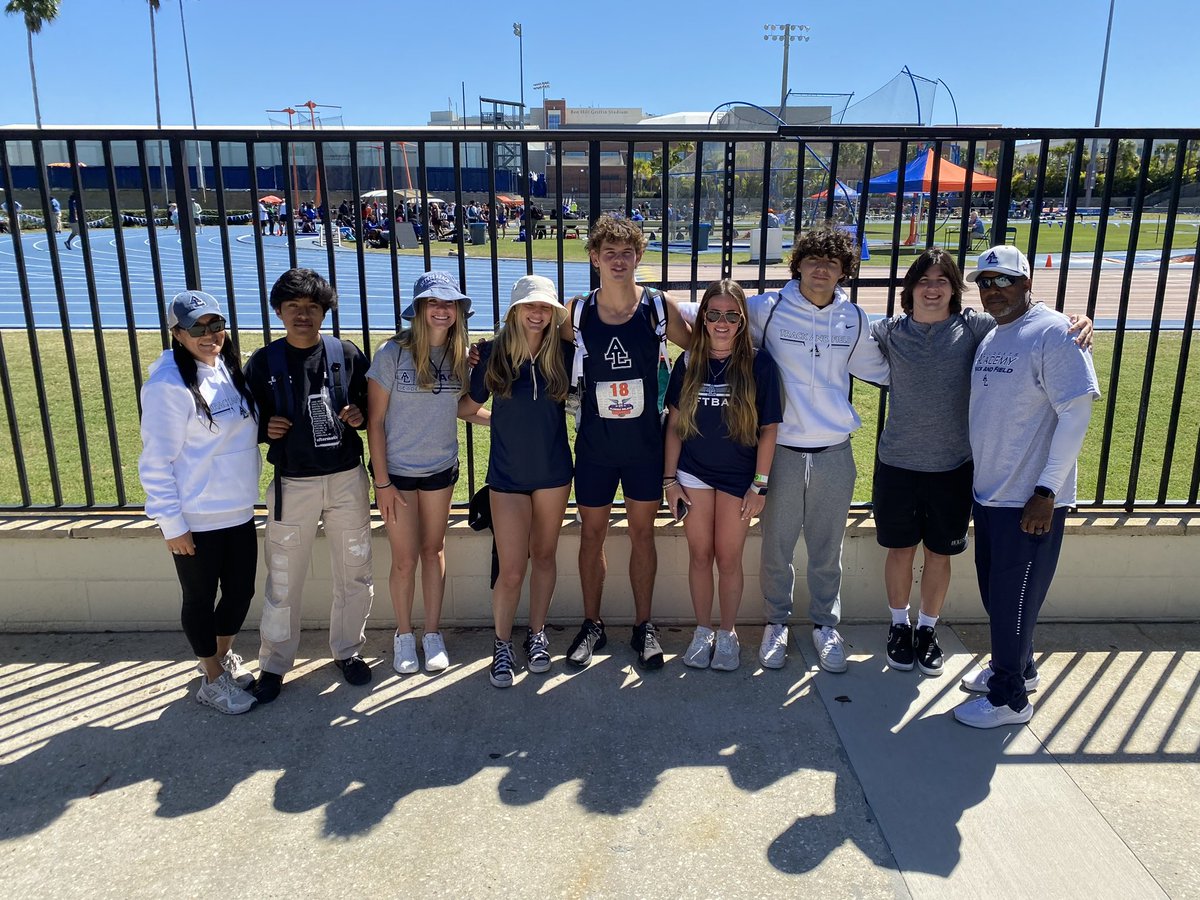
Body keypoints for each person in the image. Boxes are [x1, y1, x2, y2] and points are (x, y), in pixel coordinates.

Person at [872, 248, 1093, 677]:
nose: (932, 288)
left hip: (956, 467)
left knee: (940, 553)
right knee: (899, 550)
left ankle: (927, 630)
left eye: (942, 280)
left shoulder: (977, 327)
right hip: (897, 462)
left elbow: (1032, 322)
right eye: (923, 280)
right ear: (910, 289)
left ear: (955, 290)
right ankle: (899, 627)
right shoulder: (889, 331)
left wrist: (1079, 322)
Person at [679, 226, 890, 673]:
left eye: (831, 264)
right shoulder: (767, 309)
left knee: (826, 547)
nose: (821, 269)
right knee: (776, 547)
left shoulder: (853, 319)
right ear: (798, 265)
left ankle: (824, 626)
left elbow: (887, 362)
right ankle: (776, 623)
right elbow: (703, 315)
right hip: (781, 453)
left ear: (843, 272)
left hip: (835, 449)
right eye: (812, 260)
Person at [953, 246, 1100, 728]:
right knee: (1000, 596)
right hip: (991, 491)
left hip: (1029, 498)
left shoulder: (1055, 333)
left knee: (1012, 599)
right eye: (986, 282)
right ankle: (1017, 667)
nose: (993, 291)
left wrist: (1047, 491)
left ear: (1026, 282)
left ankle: (1008, 700)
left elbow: (1076, 413)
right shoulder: (997, 334)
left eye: (1004, 281)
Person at [559, 215, 691, 669]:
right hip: (595, 445)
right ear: (594, 258)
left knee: (642, 535)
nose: (618, 260)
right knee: (591, 535)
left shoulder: (658, 307)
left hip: (644, 445)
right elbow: (534, 347)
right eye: (609, 252)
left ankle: (643, 626)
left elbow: (701, 348)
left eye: (627, 252)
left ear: (639, 257)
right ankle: (592, 624)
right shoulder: (576, 313)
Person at [242, 268, 374, 704]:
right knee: (282, 578)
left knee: (354, 571)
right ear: (279, 311)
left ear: (324, 312)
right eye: (294, 307)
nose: (303, 315)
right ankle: (275, 662)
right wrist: (265, 427)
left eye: (312, 307)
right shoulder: (264, 363)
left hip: (345, 479)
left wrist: (360, 416)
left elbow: (374, 407)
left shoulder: (347, 354)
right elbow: (242, 420)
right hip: (292, 483)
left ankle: (348, 651)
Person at [138, 290, 261, 714]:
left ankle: (221, 658)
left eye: (216, 325)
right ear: (178, 333)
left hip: (239, 510)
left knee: (240, 593)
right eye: (197, 328)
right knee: (200, 598)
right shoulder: (166, 386)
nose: (210, 335)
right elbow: (155, 462)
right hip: (197, 517)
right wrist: (172, 524)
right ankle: (210, 678)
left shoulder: (226, 368)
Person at [367, 271, 485, 675]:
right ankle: (404, 635)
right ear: (418, 310)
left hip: (440, 469)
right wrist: (381, 482)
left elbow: (463, 407)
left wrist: (508, 420)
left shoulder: (460, 355)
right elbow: (375, 422)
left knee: (433, 551)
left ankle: (432, 634)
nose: (441, 309)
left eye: (449, 303)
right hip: (397, 475)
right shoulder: (390, 353)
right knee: (404, 560)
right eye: (433, 302)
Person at [459, 275, 573, 687]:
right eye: (530, 306)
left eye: (545, 307)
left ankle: (537, 634)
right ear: (514, 311)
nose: (537, 313)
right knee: (511, 570)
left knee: (544, 558)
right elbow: (467, 408)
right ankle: (502, 644)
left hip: (554, 473)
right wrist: (501, 421)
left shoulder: (564, 351)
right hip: (507, 477)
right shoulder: (489, 354)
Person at [664, 280, 781, 672]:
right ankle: (702, 631)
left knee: (728, 558)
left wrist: (759, 485)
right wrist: (670, 480)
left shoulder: (760, 363)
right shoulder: (689, 362)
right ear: (702, 319)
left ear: (743, 320)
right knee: (701, 556)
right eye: (713, 314)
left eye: (732, 315)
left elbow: (768, 430)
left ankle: (727, 634)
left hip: (738, 478)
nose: (722, 323)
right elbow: (676, 423)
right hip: (693, 473)